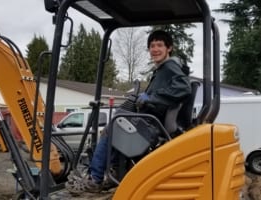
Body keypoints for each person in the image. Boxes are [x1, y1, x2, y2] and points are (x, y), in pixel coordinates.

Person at [66, 30, 192, 194]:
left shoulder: (170, 67)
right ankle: (113, 172)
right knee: (119, 122)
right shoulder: (162, 70)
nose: (155, 49)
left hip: (153, 126)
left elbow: (184, 87)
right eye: (152, 46)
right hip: (152, 122)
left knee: (113, 126)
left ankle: (95, 178)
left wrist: (151, 98)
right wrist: (143, 98)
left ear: (169, 48)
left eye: (160, 45)